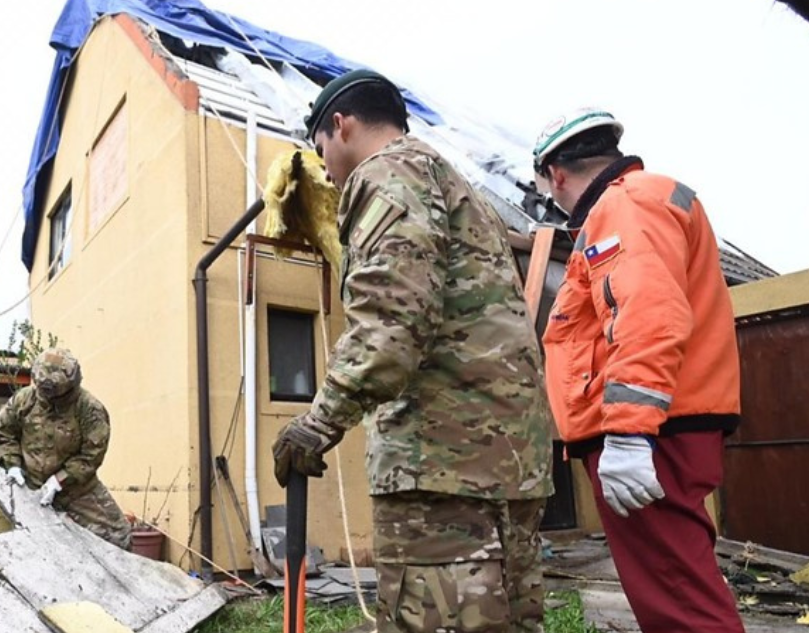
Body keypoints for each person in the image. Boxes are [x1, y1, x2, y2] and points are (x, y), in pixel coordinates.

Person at [273, 69, 554, 633]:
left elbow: (391, 322)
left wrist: (316, 424)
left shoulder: (388, 175)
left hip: (441, 470)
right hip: (504, 462)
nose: (324, 169)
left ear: (341, 124)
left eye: (321, 150)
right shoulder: (455, 185)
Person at [532, 108, 745, 633]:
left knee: (679, 601)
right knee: (675, 587)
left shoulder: (622, 206)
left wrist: (628, 433)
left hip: (650, 434)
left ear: (556, 174)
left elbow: (647, 313)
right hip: (663, 426)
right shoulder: (643, 201)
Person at [0, 347, 132, 550]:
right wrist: (12, 465)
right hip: (31, 486)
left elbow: (91, 455)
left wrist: (59, 481)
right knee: (27, 541)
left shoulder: (89, 409)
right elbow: (4, 432)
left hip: (78, 490)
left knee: (119, 536)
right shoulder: (24, 400)